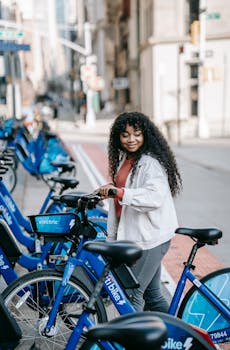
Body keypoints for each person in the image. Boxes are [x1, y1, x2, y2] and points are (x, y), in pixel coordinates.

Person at [96, 111, 182, 312]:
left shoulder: (150, 163)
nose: (131, 139)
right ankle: (177, 338)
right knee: (152, 296)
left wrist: (120, 192)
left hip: (150, 237)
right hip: (140, 235)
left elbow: (153, 197)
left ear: (146, 135)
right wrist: (109, 190)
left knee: (132, 295)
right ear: (117, 137)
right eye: (125, 135)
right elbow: (128, 187)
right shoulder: (129, 159)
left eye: (137, 134)